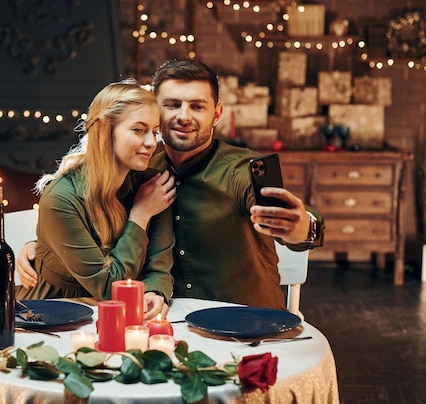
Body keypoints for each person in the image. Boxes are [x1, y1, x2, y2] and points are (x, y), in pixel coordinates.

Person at [18, 58, 324, 311]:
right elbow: (90, 232)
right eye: (172, 104)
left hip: (243, 320)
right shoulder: (141, 172)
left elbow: (281, 211)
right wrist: (44, 252)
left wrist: (301, 227)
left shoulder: (238, 170)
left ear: (216, 114)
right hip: (168, 322)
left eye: (197, 106)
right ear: (155, 110)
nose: (183, 116)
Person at [15, 79, 176, 320]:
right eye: (138, 130)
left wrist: (155, 290)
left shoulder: (151, 185)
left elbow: (160, 263)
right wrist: (140, 215)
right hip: (48, 318)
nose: (152, 142)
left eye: (154, 131)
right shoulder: (61, 198)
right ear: (105, 132)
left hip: (121, 318)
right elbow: (110, 287)